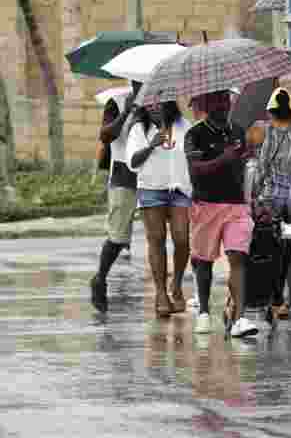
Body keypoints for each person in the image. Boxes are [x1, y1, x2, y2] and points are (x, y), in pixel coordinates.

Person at [184, 90, 259, 338]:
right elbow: (195, 171)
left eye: (226, 100)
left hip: (237, 205)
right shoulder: (193, 135)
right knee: (203, 261)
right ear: (206, 104)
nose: (223, 105)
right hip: (206, 205)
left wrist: (244, 159)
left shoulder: (238, 131)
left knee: (238, 256)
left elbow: (241, 166)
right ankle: (204, 312)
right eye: (217, 101)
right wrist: (223, 159)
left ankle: (239, 318)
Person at [126, 100, 193, 318]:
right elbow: (133, 162)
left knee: (182, 239)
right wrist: (151, 145)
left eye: (160, 102)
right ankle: (161, 293)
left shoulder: (184, 125)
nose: (155, 106)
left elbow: (193, 154)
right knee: (157, 239)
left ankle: (177, 284)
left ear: (169, 103)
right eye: (150, 103)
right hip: (151, 189)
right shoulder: (139, 129)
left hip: (180, 189)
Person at [249, 87, 291, 317]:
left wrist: (254, 194)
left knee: (275, 249)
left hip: (276, 201)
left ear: (272, 112)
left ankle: (275, 298)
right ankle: (288, 302)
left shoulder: (267, 133)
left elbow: (262, 167)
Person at [90, 81, 142, 312]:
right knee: (118, 237)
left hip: (155, 175)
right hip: (124, 176)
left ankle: (165, 293)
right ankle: (100, 278)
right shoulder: (118, 101)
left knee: (161, 236)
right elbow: (106, 135)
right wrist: (128, 111)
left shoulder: (161, 100)